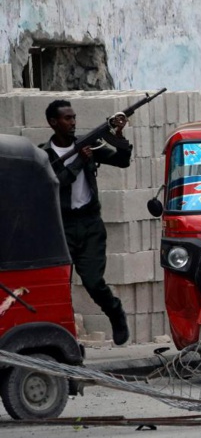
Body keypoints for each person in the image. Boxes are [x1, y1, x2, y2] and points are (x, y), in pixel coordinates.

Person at [39, 100, 132, 345]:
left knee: (93, 281)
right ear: (53, 122)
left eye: (74, 118)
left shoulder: (87, 144)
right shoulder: (43, 155)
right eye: (67, 118)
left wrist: (119, 136)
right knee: (60, 286)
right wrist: (80, 160)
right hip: (62, 227)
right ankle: (63, 335)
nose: (72, 123)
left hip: (90, 224)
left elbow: (122, 161)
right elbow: (57, 183)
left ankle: (115, 313)